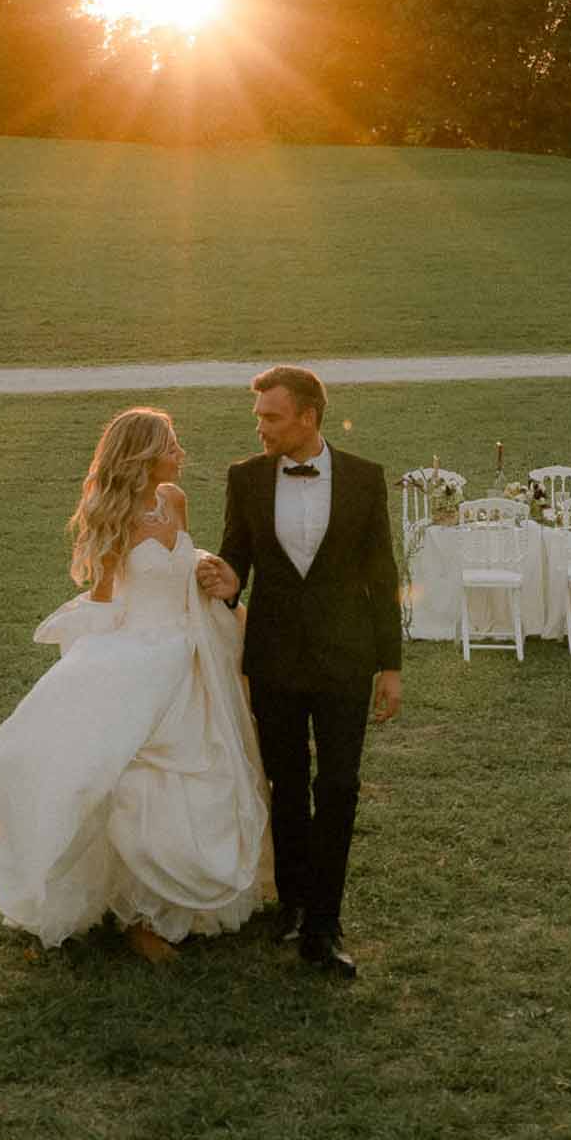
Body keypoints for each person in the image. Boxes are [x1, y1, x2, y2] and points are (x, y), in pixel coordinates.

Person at [0, 408, 268, 962]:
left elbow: (183, 558)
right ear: (145, 452)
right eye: (172, 444)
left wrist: (204, 569)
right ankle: (141, 916)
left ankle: (184, 904)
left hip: (192, 652)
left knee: (208, 772)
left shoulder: (175, 500)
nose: (181, 452)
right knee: (139, 785)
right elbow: (105, 597)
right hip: (140, 658)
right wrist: (91, 667)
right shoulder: (113, 515)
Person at [197, 364, 402, 979]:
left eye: (271, 417)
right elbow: (235, 555)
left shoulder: (365, 479)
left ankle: (325, 921)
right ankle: (291, 905)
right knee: (285, 785)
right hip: (276, 657)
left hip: (346, 658)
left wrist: (390, 666)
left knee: (337, 787)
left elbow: (383, 575)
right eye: (259, 416)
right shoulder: (247, 478)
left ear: (307, 417)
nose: (260, 428)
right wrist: (228, 584)